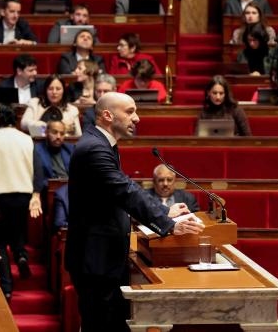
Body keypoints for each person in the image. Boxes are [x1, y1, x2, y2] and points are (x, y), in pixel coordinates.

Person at [65, 92, 204, 331]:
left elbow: (115, 195)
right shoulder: (94, 148)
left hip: (102, 257)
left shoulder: (100, 143)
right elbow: (125, 191)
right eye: (130, 112)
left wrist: (164, 211)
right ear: (107, 115)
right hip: (96, 260)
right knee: (101, 325)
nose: (137, 118)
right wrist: (168, 223)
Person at [0, 104, 38, 299]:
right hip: (22, 193)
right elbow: (36, 167)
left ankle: (7, 286)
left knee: (0, 240)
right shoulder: (26, 139)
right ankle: (21, 255)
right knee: (17, 231)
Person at [33, 120, 74, 224]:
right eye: (54, 132)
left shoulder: (70, 149)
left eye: (62, 133)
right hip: (48, 192)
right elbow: (38, 177)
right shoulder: (37, 150)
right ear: (46, 132)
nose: (58, 137)